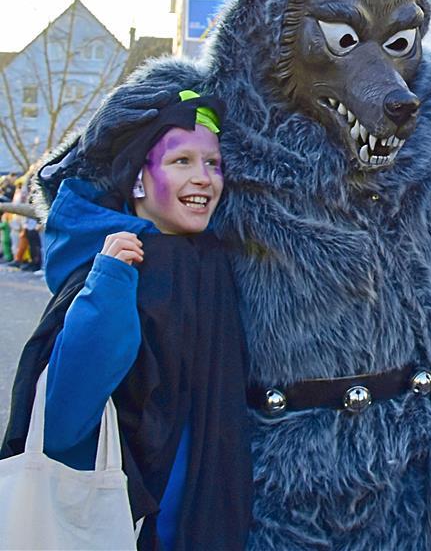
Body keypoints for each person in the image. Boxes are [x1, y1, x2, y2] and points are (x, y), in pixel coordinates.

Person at [1, 89, 251, 550]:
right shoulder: (108, 262)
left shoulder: (220, 265)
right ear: (138, 178)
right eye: (181, 162)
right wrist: (110, 285)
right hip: (122, 525)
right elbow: (65, 421)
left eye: (213, 164)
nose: (204, 179)